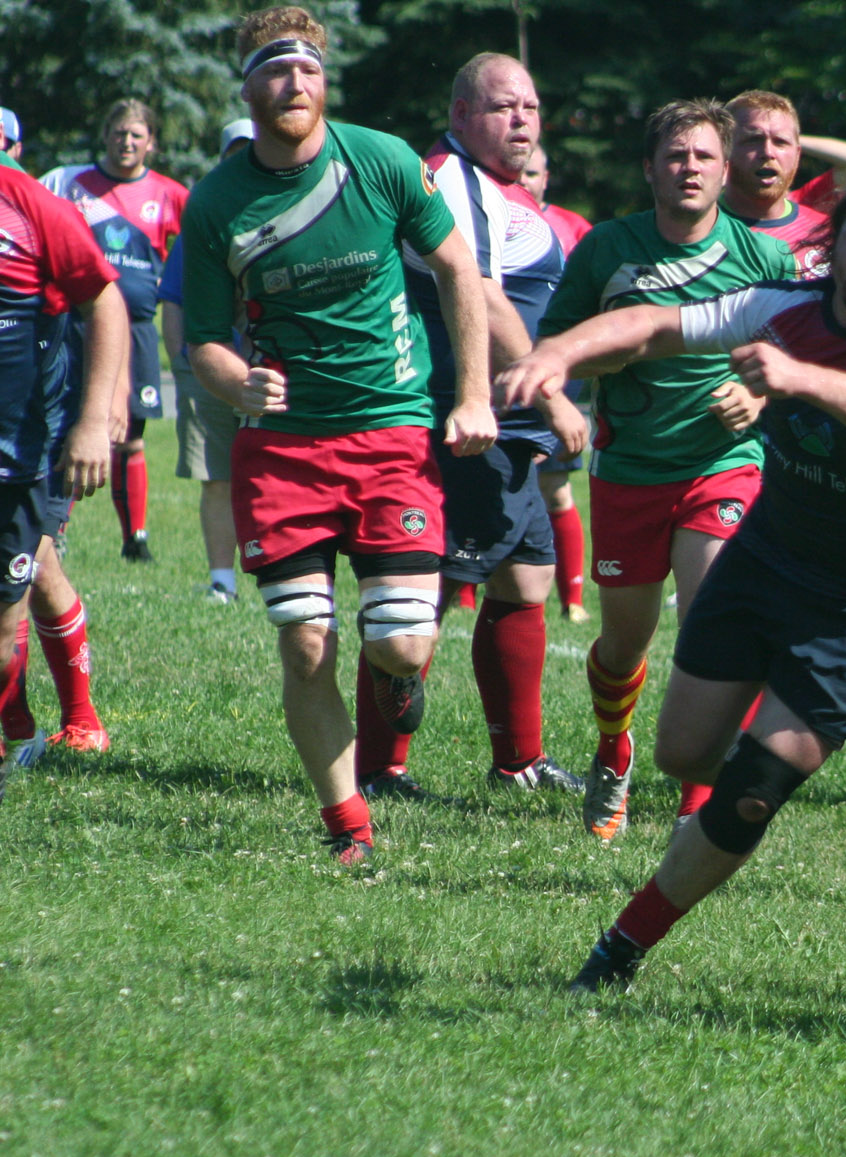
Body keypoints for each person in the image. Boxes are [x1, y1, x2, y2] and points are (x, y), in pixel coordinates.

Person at [495, 175, 846, 992]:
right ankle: (725, 755)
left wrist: (797, 377)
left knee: (750, 790)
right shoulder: (784, 307)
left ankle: (620, 948)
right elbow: (656, 324)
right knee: (684, 752)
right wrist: (558, 352)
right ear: (834, 243)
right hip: (764, 564)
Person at [179, 5, 496, 865]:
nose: (295, 83)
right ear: (247, 89)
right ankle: (348, 823)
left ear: (325, 80)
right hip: (281, 452)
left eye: (308, 69)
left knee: (400, 641)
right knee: (307, 640)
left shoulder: (383, 161)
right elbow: (199, 337)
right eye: (277, 71)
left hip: (391, 433)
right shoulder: (215, 203)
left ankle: (398, 681)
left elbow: (460, 268)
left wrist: (471, 392)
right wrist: (235, 379)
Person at [535, 99, 794, 841]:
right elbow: (557, 345)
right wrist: (561, 406)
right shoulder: (607, 247)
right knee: (626, 640)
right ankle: (613, 749)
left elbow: (804, 353)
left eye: (704, 157)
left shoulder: (765, 257)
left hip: (724, 463)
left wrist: (756, 390)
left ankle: (700, 796)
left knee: (715, 614)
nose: (690, 168)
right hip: (629, 468)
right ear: (649, 167)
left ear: (726, 169)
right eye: (676, 156)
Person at [347, 53, 585, 801]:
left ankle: (517, 760)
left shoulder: (492, 185)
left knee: (525, 578)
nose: (520, 120)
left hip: (507, 421)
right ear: (458, 115)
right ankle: (380, 768)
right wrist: (549, 392)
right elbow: (477, 289)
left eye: (530, 107)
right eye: (501, 107)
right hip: (470, 415)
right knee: (425, 593)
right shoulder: (450, 179)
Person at [0, 148, 125, 791]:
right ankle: (22, 726)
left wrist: (98, 416)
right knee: (35, 574)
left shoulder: (34, 210)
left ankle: (69, 720)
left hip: (33, 441)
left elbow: (106, 304)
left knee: (35, 574)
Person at [40, 99, 190, 563]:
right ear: (105, 134)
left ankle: (135, 538)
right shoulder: (69, 182)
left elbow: (190, 255)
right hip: (76, 325)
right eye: (119, 132)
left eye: (137, 135)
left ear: (152, 143)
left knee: (131, 434)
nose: (127, 142)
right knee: (66, 425)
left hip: (140, 330)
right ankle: (55, 528)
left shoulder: (169, 193)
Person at [161, 118, 255, 607]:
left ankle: (282, 577)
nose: (242, 159)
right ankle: (223, 581)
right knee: (217, 477)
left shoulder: (295, 207)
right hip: (211, 370)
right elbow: (173, 295)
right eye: (234, 151)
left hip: (271, 369)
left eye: (251, 149)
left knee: (276, 474)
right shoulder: (203, 212)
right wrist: (183, 358)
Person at [517, 143, 591, 623]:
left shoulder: (572, 228)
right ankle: (462, 595)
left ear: (548, 177)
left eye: (534, 172)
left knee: (555, 488)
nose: (527, 180)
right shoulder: (479, 215)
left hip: (554, 377)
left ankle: (574, 600)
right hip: (491, 374)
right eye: (520, 173)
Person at [721, 91, 827, 277]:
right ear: (723, 150)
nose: (768, 152)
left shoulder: (827, 233)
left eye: (780, 142)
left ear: (797, 154)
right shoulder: (696, 230)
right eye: (753, 140)